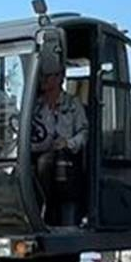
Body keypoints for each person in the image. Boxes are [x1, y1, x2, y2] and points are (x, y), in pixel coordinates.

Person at [31, 66, 88, 219]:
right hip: (37, 151)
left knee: (45, 163)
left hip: (65, 158)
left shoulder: (73, 104)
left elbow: (84, 133)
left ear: (59, 78)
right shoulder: (35, 106)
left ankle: (47, 209)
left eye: (47, 76)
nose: (42, 80)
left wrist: (69, 143)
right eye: (41, 76)